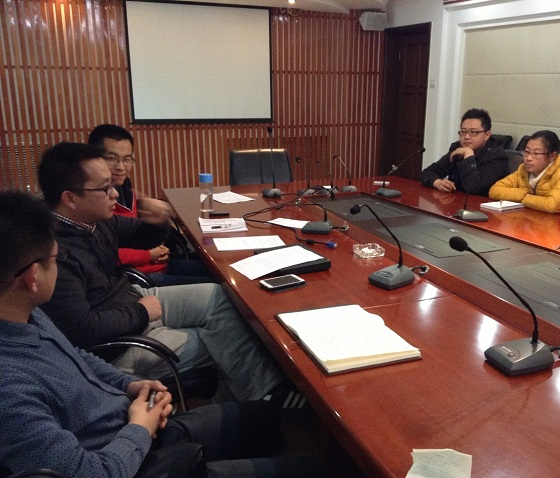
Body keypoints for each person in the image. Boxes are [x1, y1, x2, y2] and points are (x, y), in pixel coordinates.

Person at [0, 190, 324, 478]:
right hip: (135, 454)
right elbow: (91, 472)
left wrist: (129, 385)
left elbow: (77, 356)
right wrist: (140, 428)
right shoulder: (10, 392)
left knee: (265, 419)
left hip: (133, 421)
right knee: (310, 469)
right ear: (32, 277)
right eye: (56, 258)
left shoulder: (27, 314)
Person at [37, 142, 285, 402]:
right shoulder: (55, 253)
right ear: (70, 198)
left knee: (219, 297)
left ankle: (248, 400)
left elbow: (141, 236)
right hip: (119, 346)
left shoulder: (91, 221)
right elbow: (81, 329)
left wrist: (156, 222)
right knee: (225, 341)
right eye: (104, 188)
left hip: (132, 301)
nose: (114, 194)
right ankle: (264, 403)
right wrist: (141, 312)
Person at [88, 124, 216, 286]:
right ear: (94, 158)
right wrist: (148, 254)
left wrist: (157, 224)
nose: (121, 167)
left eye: (127, 159)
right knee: (220, 287)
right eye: (112, 158)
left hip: (156, 265)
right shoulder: (94, 201)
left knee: (217, 271)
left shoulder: (124, 186)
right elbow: (103, 253)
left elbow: (135, 233)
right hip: (135, 277)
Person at [420, 108, 509, 196]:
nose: (466, 136)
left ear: (487, 135)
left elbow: (474, 188)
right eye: (463, 132)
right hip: (456, 202)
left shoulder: (497, 156)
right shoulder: (458, 148)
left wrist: (468, 156)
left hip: (482, 204)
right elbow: (427, 173)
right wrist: (437, 183)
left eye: (473, 132)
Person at [488, 130, 560, 213]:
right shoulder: (523, 170)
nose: (529, 158)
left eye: (536, 153)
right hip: (530, 217)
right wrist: (522, 194)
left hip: (558, 222)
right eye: (526, 152)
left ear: (552, 156)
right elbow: (494, 191)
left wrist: (526, 198)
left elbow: (552, 205)